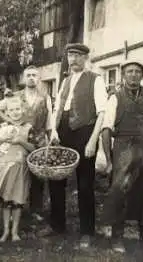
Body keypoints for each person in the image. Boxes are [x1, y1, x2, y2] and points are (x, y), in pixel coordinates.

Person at [45, 43, 109, 249]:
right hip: (62, 131)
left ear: (85, 58)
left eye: (78, 55)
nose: (73, 59)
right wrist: (54, 131)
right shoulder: (64, 81)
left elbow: (102, 113)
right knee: (56, 179)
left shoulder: (96, 79)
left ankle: (87, 232)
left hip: (84, 132)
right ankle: (57, 226)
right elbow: (56, 109)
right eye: (70, 55)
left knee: (84, 184)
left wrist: (93, 141)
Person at [101, 61, 143, 253]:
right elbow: (106, 129)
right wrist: (109, 160)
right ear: (123, 75)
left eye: (138, 72)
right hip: (123, 151)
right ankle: (117, 238)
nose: (133, 75)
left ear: (142, 75)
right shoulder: (115, 98)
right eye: (129, 71)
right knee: (119, 192)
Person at [0, 65, 53, 222]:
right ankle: (13, 208)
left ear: (38, 78)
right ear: (24, 79)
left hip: (37, 139)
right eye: (28, 75)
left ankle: (35, 211)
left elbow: (49, 120)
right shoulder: (15, 96)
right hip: (18, 138)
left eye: (34, 75)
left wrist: (51, 138)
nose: (31, 78)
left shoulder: (44, 97)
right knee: (17, 173)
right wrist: (9, 120)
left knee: (37, 176)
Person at [0, 95, 37, 242]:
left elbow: (33, 148)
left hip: (20, 168)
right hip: (5, 168)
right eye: (11, 110)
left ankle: (15, 232)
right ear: (7, 112)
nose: (15, 112)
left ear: (22, 110)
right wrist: (2, 139)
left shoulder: (28, 128)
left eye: (18, 109)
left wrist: (21, 141)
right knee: (6, 201)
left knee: (17, 201)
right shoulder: (2, 128)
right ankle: (5, 231)